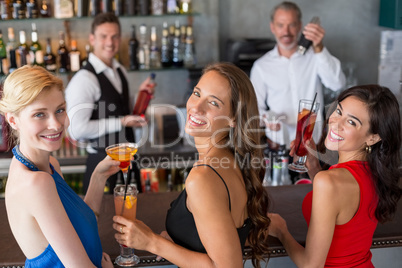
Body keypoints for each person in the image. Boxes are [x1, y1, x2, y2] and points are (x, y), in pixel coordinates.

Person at [112, 63, 271, 267]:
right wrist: (179, 243)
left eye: (213, 103)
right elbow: (225, 237)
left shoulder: (203, 177)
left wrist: (151, 242)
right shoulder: (232, 159)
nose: (196, 107)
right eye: (197, 93)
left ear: (233, 119)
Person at [268, 84, 402, 267]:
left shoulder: (330, 181)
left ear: (373, 137)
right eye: (338, 111)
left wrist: (281, 230)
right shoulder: (376, 173)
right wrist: (314, 166)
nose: (335, 123)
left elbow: (310, 265)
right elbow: (339, 204)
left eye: (351, 122)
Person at [0, 65, 120, 267]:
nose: (56, 124)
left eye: (60, 110)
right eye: (40, 114)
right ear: (13, 120)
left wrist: (98, 178)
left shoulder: (48, 165)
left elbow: (80, 225)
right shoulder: (36, 183)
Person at [65, 12, 155, 194]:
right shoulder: (84, 79)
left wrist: (141, 95)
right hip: (102, 164)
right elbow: (76, 129)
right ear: (92, 39)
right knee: (102, 221)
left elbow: (122, 109)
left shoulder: (119, 69)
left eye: (114, 37)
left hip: (128, 160)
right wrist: (121, 122)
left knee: (132, 216)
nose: (109, 42)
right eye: (103, 36)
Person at [250, 1, 346, 148]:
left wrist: (319, 47)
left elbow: (338, 83)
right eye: (281, 25)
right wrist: (267, 119)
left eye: (292, 25)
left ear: (300, 26)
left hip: (313, 143)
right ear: (273, 27)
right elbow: (254, 108)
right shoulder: (261, 66)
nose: (286, 31)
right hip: (279, 144)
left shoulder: (315, 56)